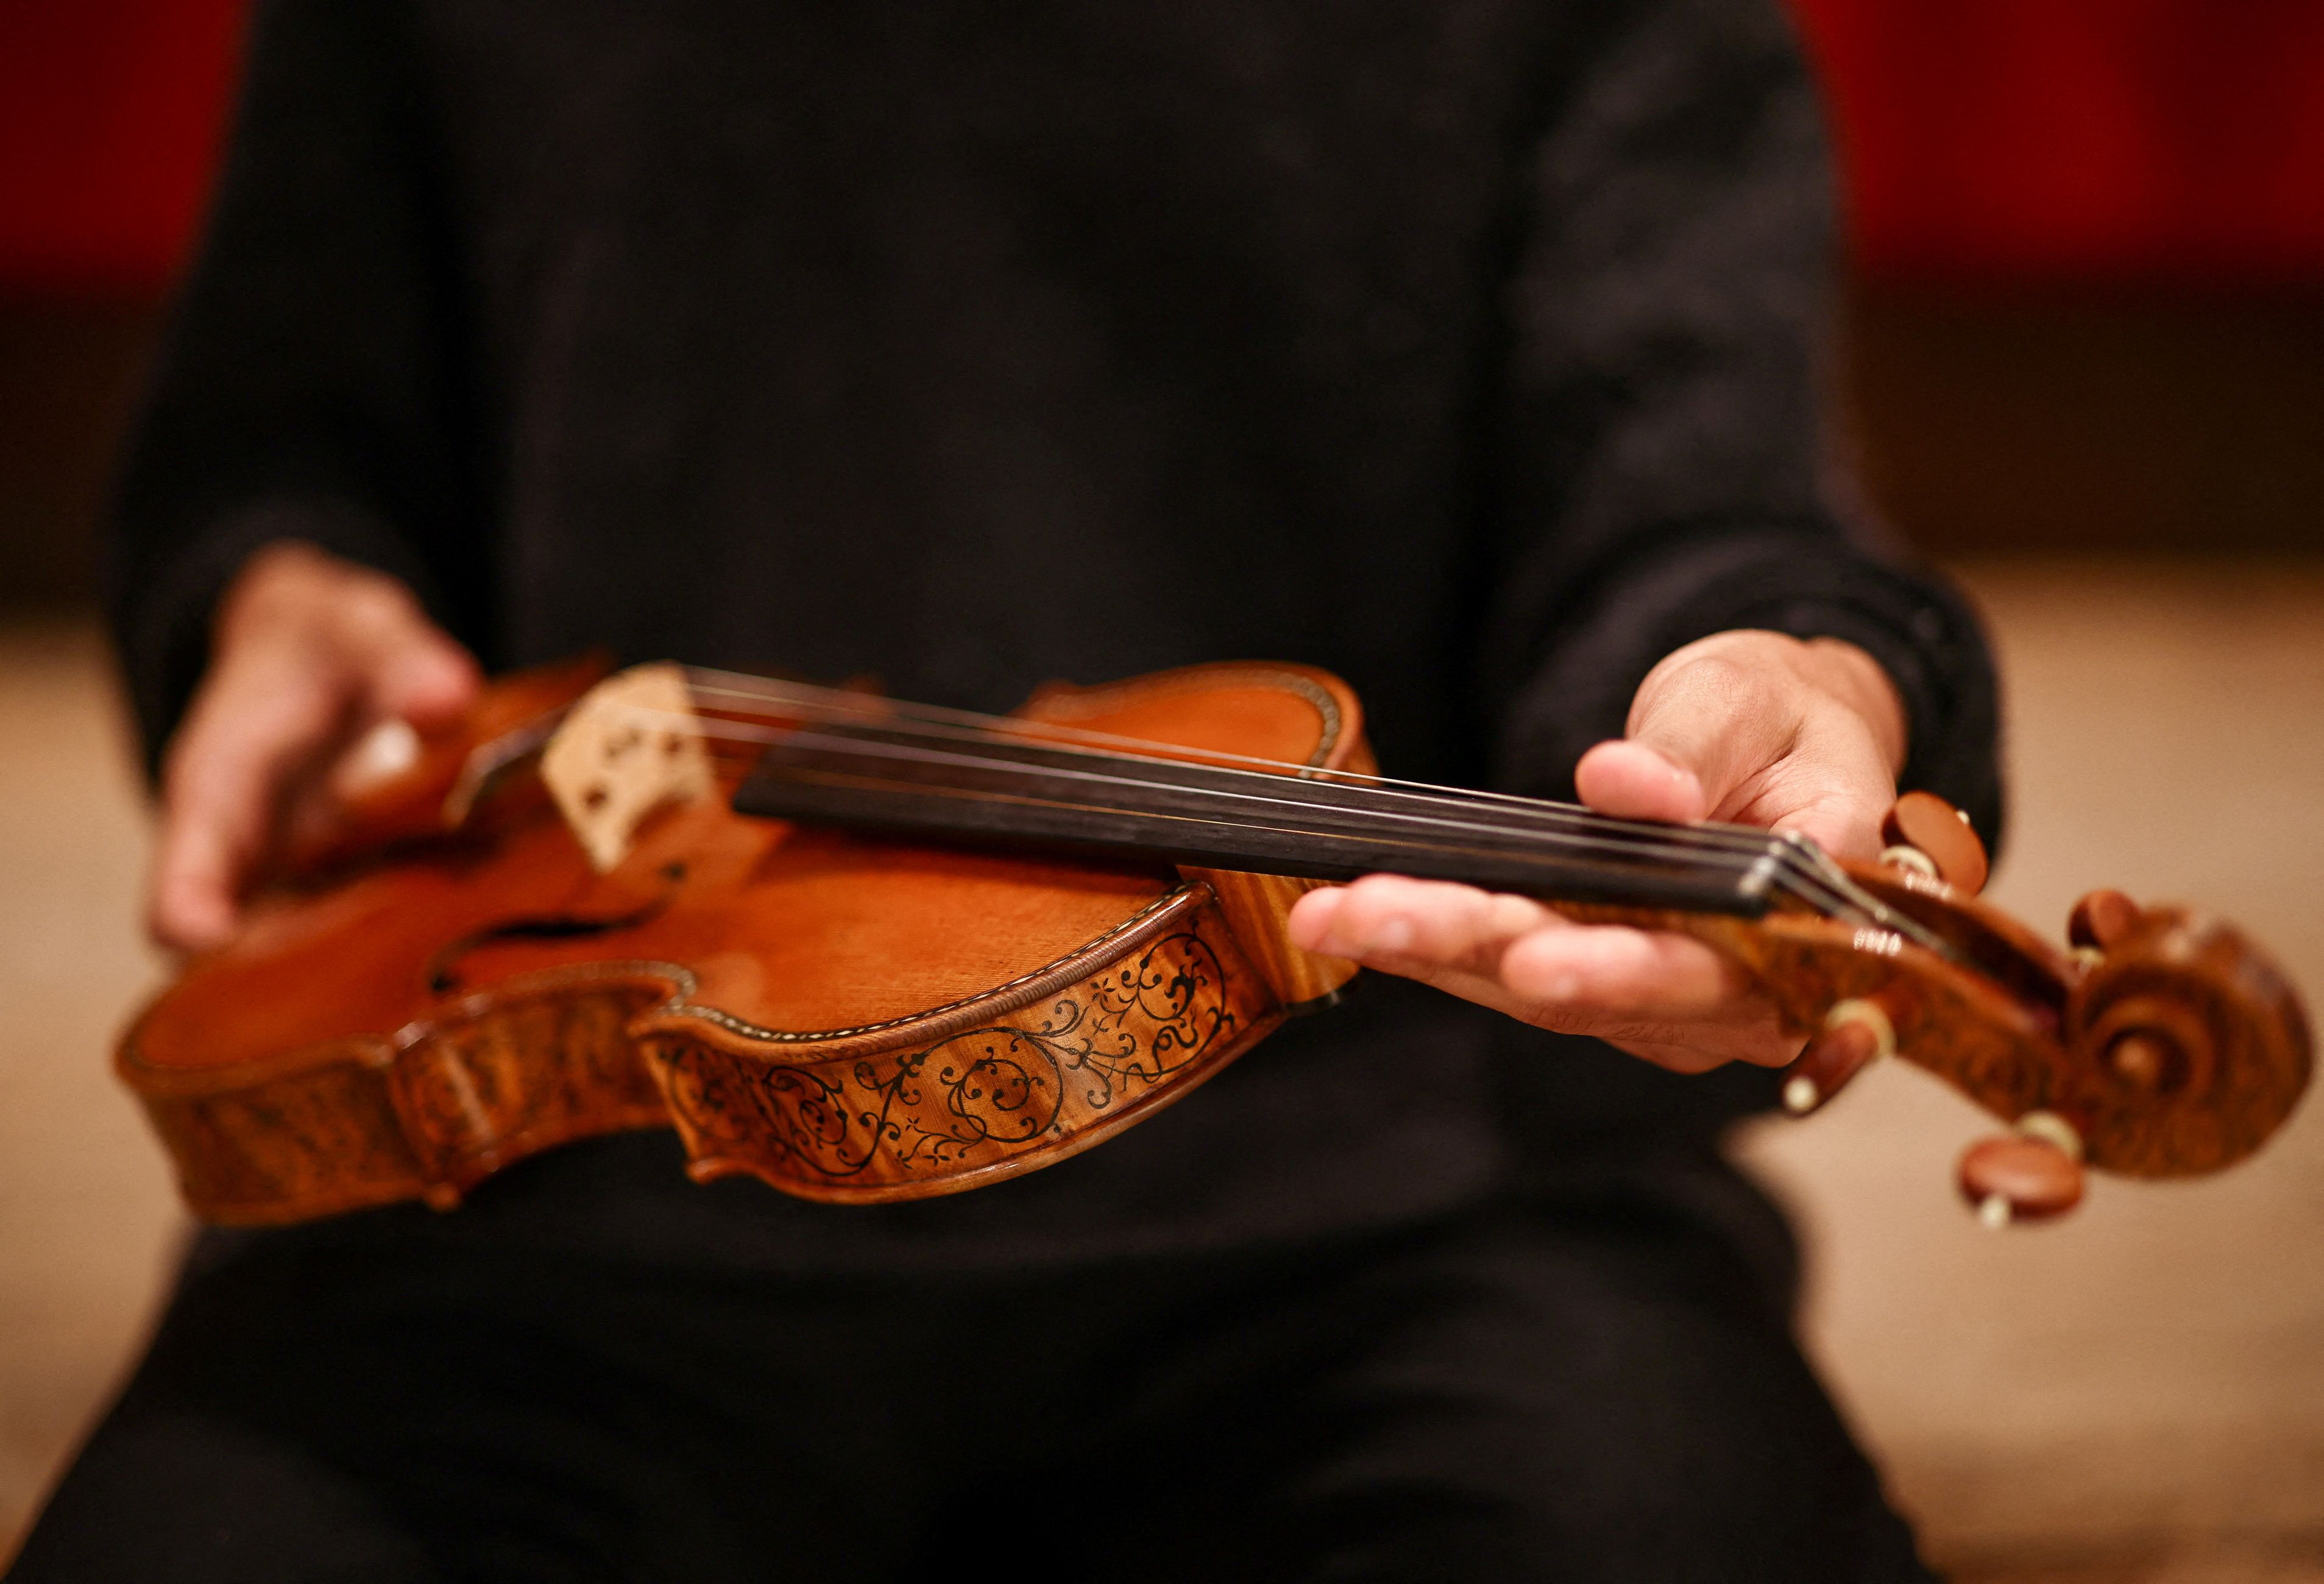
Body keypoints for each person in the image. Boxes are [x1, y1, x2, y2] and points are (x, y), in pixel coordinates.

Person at [12, 0, 2000, 1577]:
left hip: (1383, 1189)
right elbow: (284, 447)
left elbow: (1683, 521)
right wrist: (276, 597)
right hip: (566, 1192)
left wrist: (1795, 676)